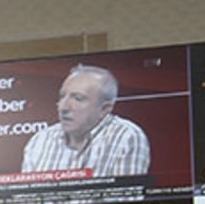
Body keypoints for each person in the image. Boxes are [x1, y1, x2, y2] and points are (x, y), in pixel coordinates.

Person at [20, 64, 150, 176]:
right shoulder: (40, 141)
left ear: (104, 109)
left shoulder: (126, 137)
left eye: (78, 98)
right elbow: (26, 202)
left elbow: (126, 201)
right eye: (62, 96)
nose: (63, 107)